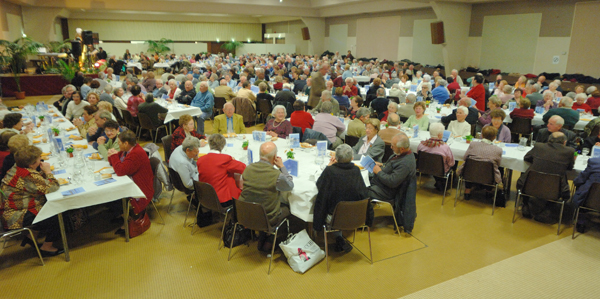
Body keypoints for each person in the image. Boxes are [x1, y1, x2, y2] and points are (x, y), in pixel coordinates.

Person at [1, 145, 62, 256]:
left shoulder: (16, 167)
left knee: (47, 203)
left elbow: (37, 185)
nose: (41, 159)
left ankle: (31, 236)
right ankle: (46, 247)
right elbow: (53, 187)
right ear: (31, 164)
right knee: (56, 212)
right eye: (39, 158)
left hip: (11, 208)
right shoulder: (27, 175)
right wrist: (48, 172)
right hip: (16, 215)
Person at [313, 144, 369, 253]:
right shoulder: (356, 171)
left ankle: (317, 234)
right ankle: (339, 237)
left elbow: (320, 185)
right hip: (356, 216)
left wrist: (329, 166)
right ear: (352, 158)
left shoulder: (330, 171)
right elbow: (364, 193)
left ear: (336, 158)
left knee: (327, 202)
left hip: (335, 218)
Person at [239, 141, 293, 251]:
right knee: (287, 208)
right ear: (274, 157)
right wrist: (282, 166)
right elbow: (289, 186)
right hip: (267, 218)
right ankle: (271, 237)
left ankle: (265, 235)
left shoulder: (248, 168)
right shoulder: (276, 175)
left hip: (244, 213)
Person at [518, 132, 574, 223]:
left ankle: (525, 205)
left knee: (525, 179)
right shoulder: (569, 151)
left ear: (549, 139)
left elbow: (527, 158)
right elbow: (570, 167)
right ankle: (548, 209)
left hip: (529, 185)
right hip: (554, 188)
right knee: (557, 186)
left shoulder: (539, 146)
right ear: (564, 142)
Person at [106, 130, 154, 234]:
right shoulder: (128, 150)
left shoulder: (136, 153)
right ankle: (122, 215)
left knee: (114, 195)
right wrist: (111, 155)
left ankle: (127, 218)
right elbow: (115, 162)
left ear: (126, 143)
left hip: (141, 187)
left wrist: (113, 156)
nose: (118, 145)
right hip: (133, 181)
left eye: (119, 143)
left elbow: (120, 171)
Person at [457, 126, 503, 204]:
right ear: (494, 137)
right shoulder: (498, 150)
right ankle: (488, 190)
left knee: (470, 165)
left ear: (482, 135)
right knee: (493, 169)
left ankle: (467, 190)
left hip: (469, 173)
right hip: (488, 176)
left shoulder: (473, 144)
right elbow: (498, 164)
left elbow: (465, 158)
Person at [197, 134, 246, 206]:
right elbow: (243, 167)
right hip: (222, 199)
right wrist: (232, 161)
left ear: (210, 145)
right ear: (223, 146)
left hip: (205, 197)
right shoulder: (225, 160)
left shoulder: (200, 160)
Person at [368, 133, 416, 205]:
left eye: (393, 146)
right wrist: (382, 165)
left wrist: (379, 172)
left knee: (360, 191)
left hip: (386, 191)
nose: (391, 147)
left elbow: (392, 181)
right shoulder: (400, 154)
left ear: (402, 148)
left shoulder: (405, 164)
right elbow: (392, 167)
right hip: (380, 183)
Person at [418, 123, 455, 191]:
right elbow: (451, 163)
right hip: (440, 170)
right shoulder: (445, 147)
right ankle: (443, 184)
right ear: (440, 135)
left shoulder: (421, 145)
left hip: (424, 167)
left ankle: (438, 182)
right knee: (452, 167)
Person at [572, 156, 600, 233]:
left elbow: (581, 179)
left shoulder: (595, 161)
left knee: (582, 190)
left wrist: (575, 183)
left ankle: (581, 222)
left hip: (589, 199)